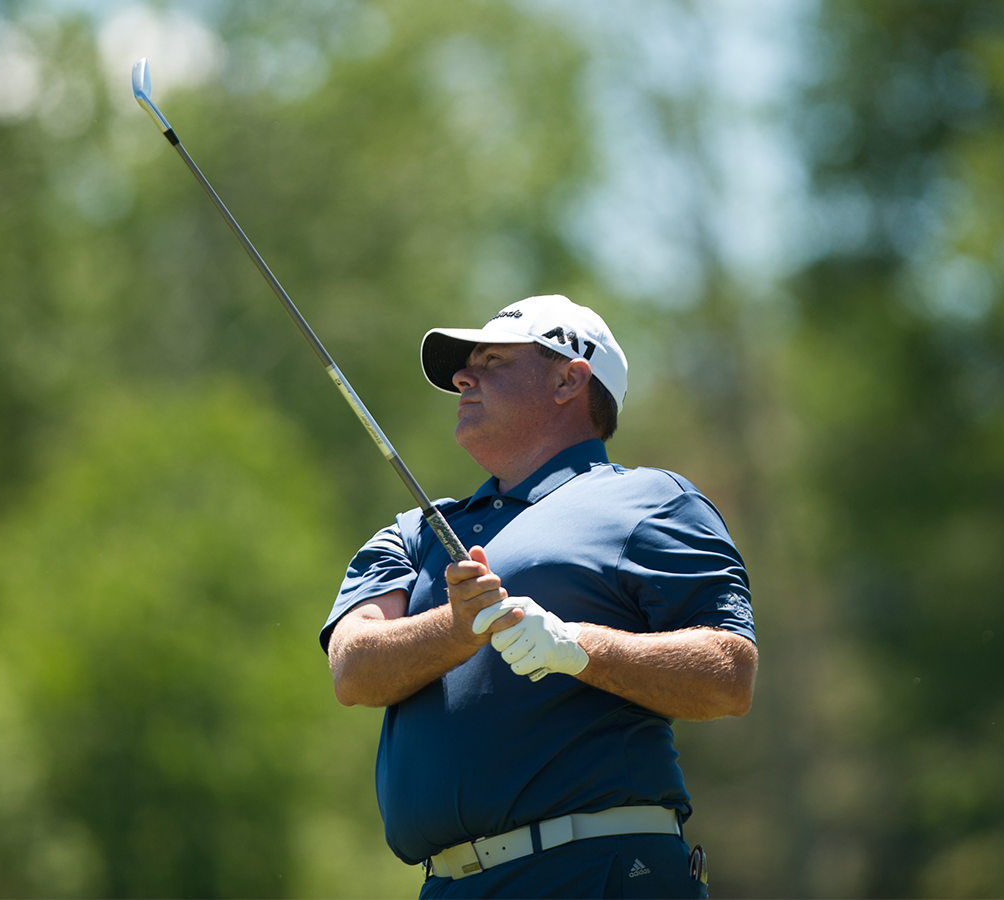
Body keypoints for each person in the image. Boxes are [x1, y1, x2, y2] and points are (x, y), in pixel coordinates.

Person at [319, 295, 757, 899]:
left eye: (494, 360)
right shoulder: (416, 531)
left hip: (598, 871)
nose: (462, 377)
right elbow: (353, 670)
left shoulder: (652, 502)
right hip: (447, 886)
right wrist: (456, 627)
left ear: (567, 379)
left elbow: (729, 676)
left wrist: (578, 647)